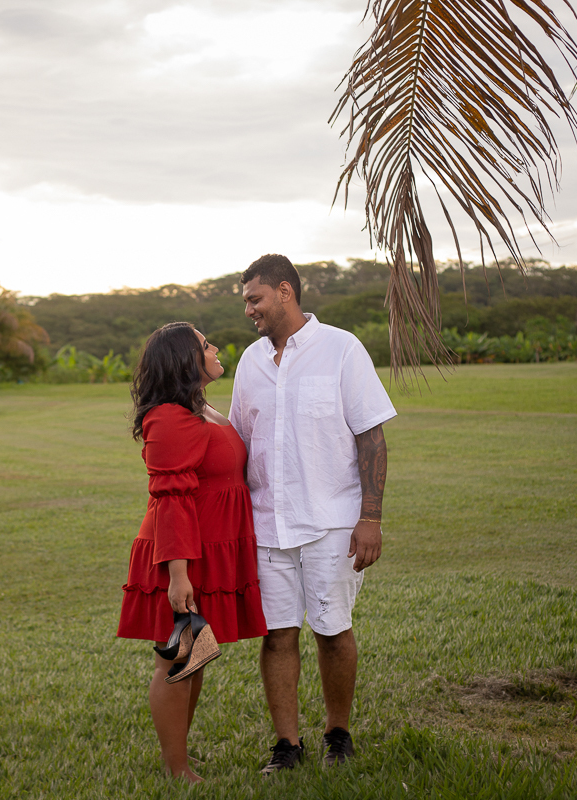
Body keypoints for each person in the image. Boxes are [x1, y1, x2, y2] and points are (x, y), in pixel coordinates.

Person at [228, 254, 395, 775]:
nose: (249, 310)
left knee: (332, 630)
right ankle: (287, 746)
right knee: (277, 635)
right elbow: (238, 442)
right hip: (268, 525)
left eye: (254, 299)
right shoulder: (250, 362)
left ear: (285, 291)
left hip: (332, 523)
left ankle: (337, 736)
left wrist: (370, 518)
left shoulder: (342, 348)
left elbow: (371, 437)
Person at [117, 321, 269, 784]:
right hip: (181, 554)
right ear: (185, 359)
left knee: (195, 654)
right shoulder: (168, 417)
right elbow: (172, 501)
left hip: (208, 548)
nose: (215, 347)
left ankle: (179, 754)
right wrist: (178, 575)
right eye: (205, 345)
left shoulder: (200, 407)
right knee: (177, 660)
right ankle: (176, 767)